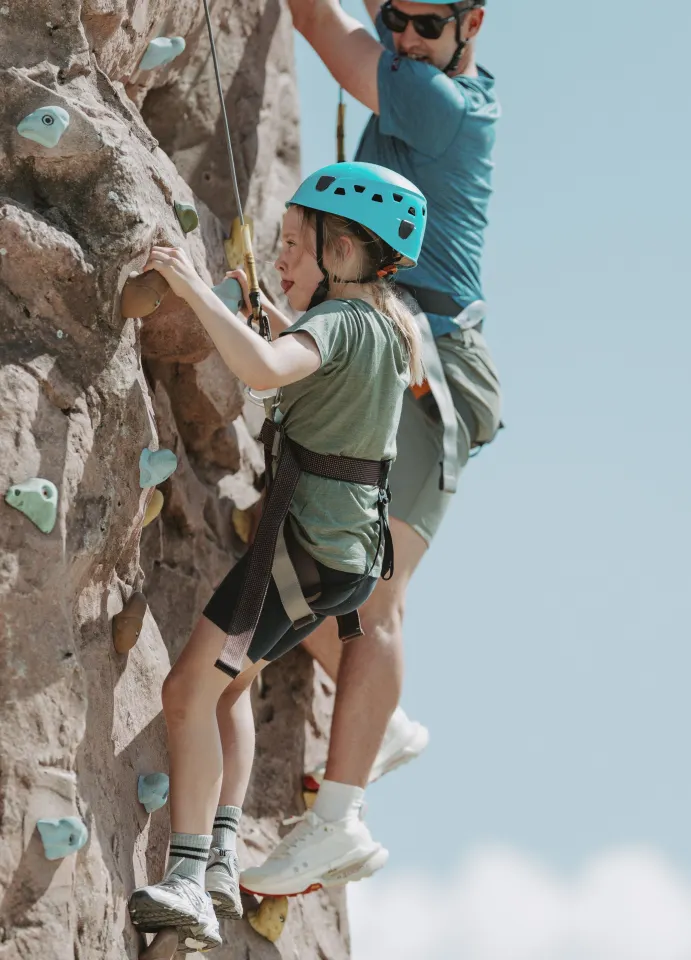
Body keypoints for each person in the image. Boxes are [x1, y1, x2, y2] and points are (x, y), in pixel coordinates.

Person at [126, 160, 426, 951]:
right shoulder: (380, 327)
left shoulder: (338, 326)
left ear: (342, 248)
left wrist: (190, 283)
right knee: (226, 693)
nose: (282, 256)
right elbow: (300, 378)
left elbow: (265, 371)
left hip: (300, 558)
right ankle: (220, 854)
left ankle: (188, 877)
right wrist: (274, 319)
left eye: (294, 243)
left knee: (188, 691)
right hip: (332, 561)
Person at [241, 0, 502, 894]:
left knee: (375, 594)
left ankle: (338, 820)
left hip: (429, 370)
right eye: (392, 19)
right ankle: (377, 724)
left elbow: (316, 20)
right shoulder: (430, 84)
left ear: (472, 25)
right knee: (331, 582)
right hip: (391, 352)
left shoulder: (436, 101)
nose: (402, 40)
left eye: (425, 25)